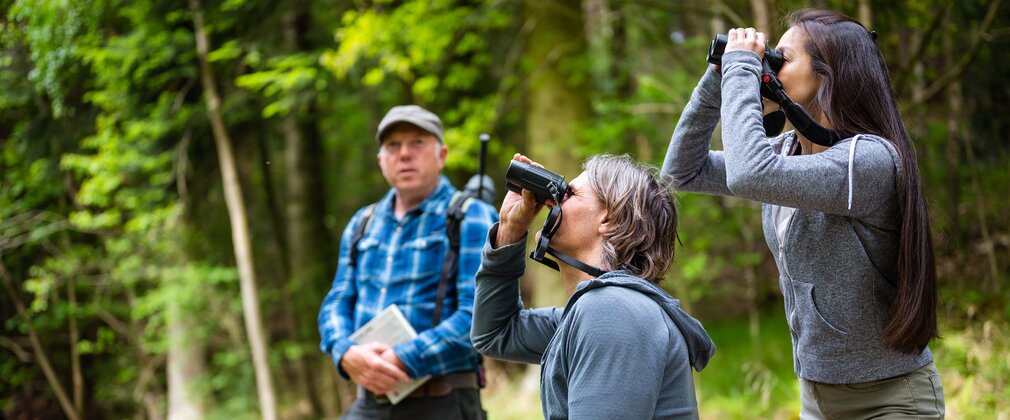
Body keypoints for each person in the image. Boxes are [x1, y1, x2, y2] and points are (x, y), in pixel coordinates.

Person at [663, 9, 944, 419]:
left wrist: (742, 68)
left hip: (891, 400)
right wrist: (717, 79)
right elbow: (682, 171)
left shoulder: (870, 160)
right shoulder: (787, 153)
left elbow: (749, 174)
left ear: (827, 74)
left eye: (782, 58)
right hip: (816, 398)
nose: (769, 65)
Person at [471, 153, 715, 419]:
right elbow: (495, 333)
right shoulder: (606, 309)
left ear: (608, 220)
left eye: (570, 194)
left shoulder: (612, 311)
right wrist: (509, 229)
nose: (553, 201)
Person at [318, 105, 497, 419]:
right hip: (370, 404)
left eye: (417, 142)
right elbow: (337, 301)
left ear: (441, 155)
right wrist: (344, 351)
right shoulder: (363, 222)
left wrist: (402, 358)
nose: (404, 154)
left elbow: (480, 317)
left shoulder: (471, 216)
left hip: (444, 402)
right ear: (380, 161)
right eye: (393, 146)